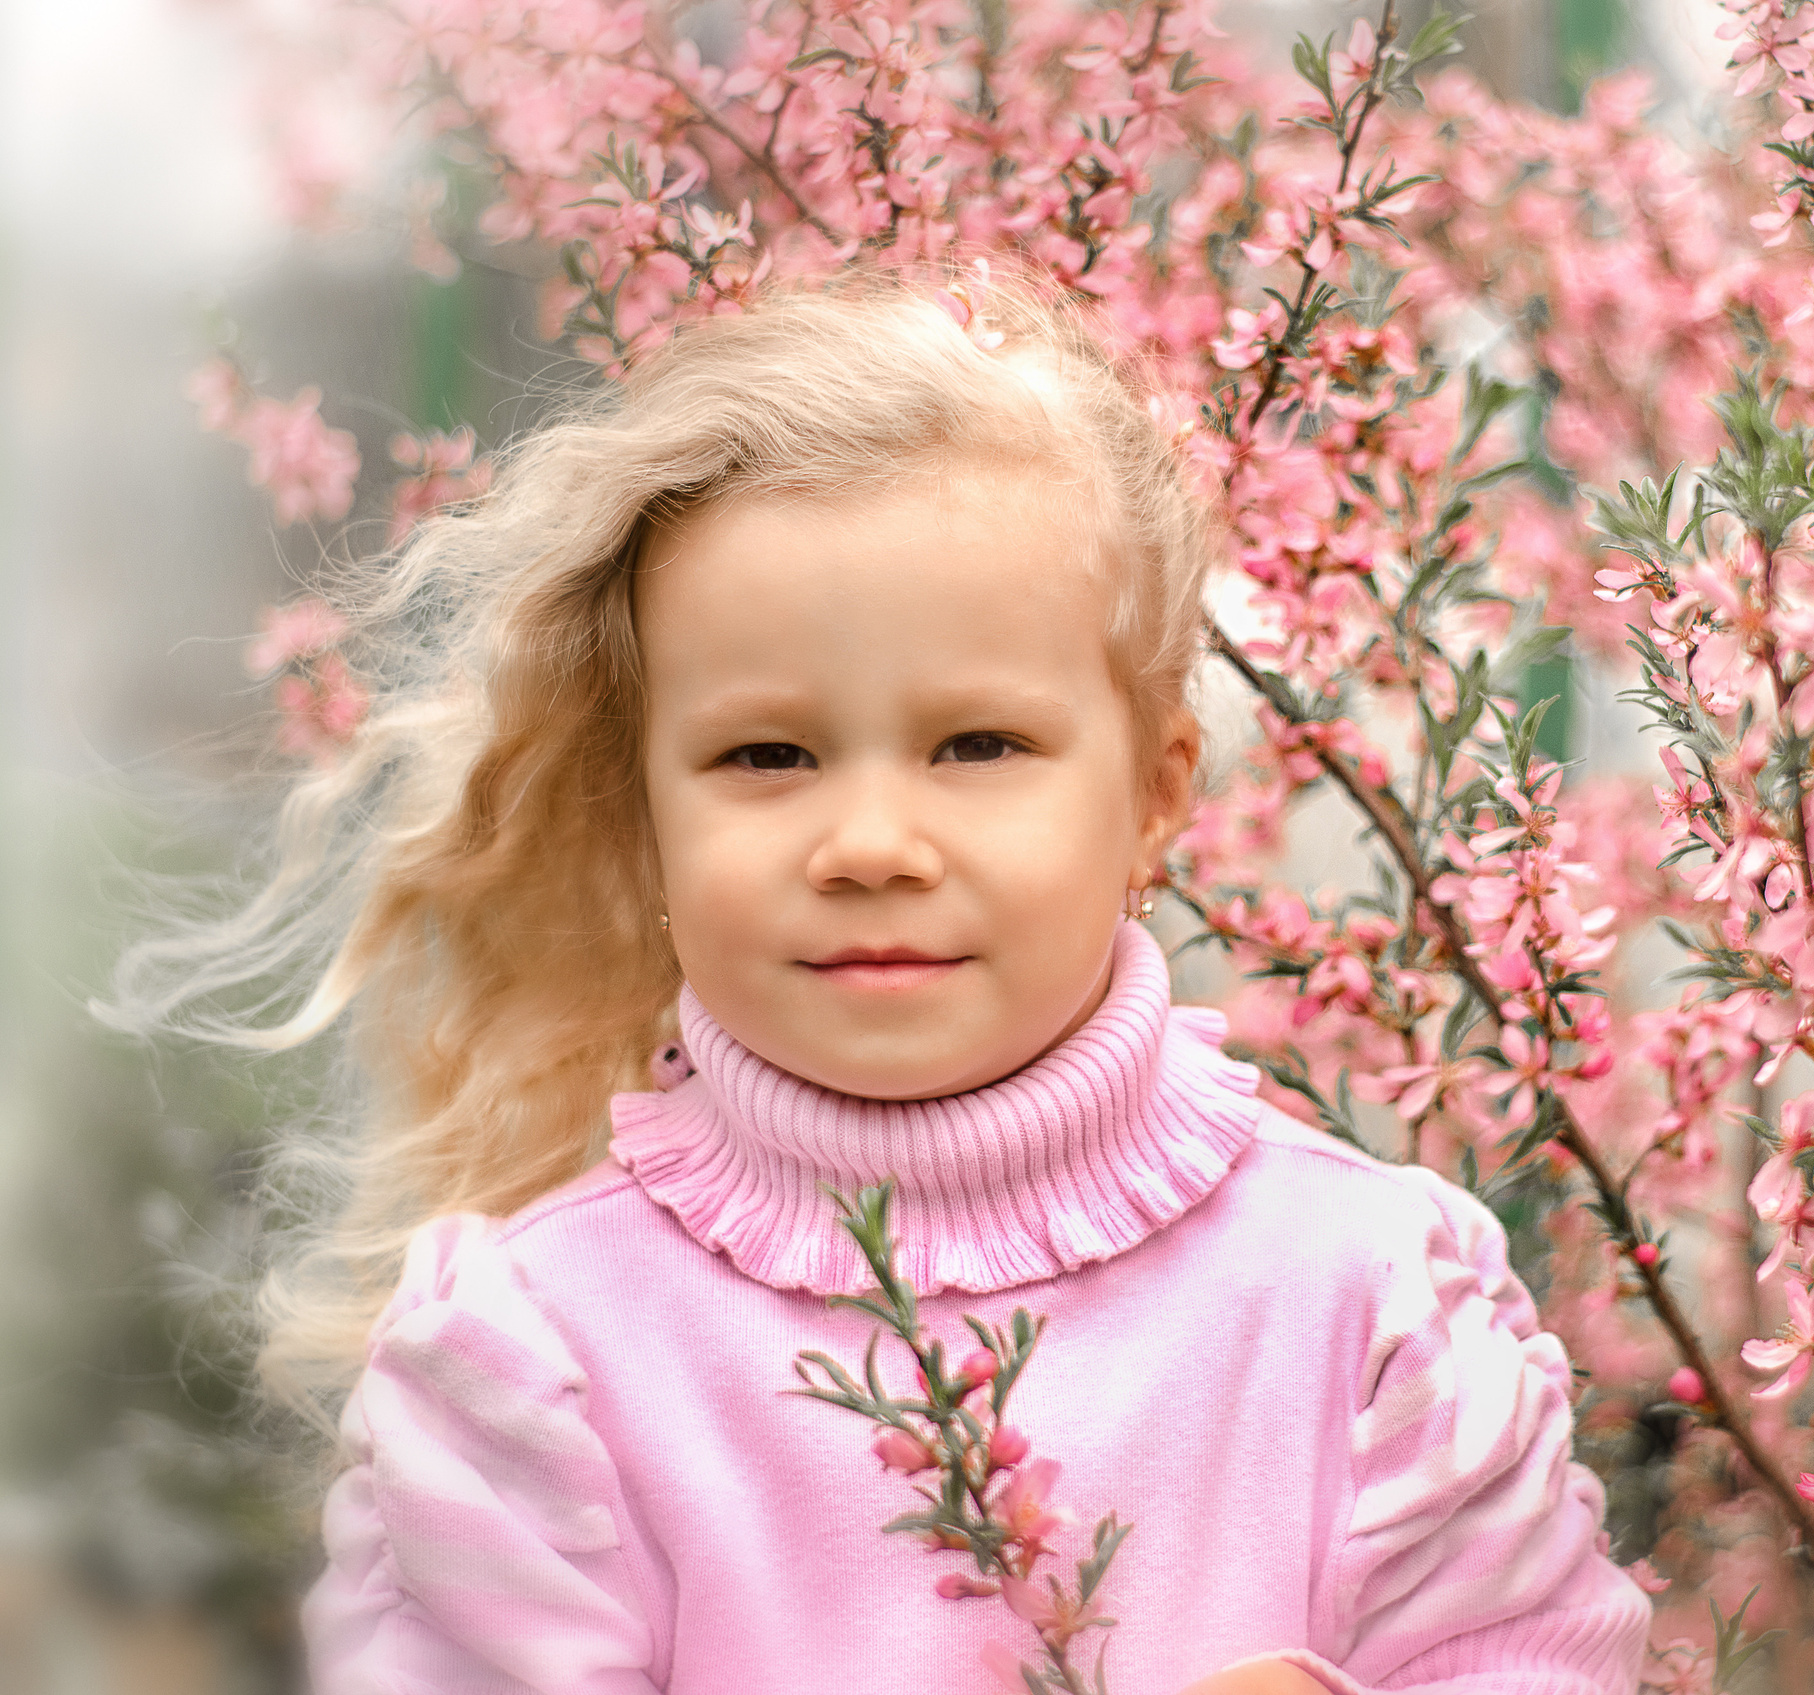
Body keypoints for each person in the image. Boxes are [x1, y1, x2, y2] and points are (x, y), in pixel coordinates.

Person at [116, 271, 1650, 1693]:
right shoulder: (541, 1362)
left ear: (1157, 794)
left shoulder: (1373, 1308)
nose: (866, 844)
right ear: (644, 816)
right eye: (764, 755)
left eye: (978, 745)